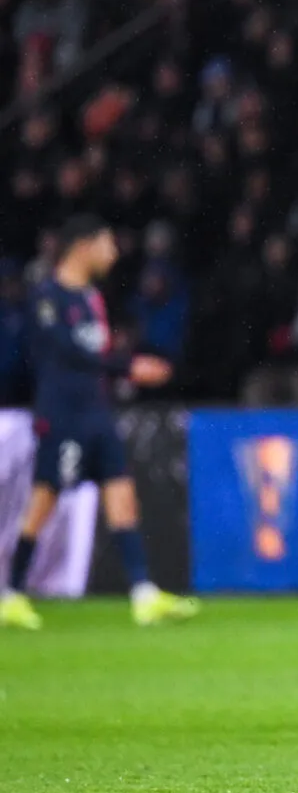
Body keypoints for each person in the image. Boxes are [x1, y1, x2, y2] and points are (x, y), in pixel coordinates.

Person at [1, 216, 201, 630]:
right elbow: (68, 353)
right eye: (106, 244)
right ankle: (11, 594)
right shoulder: (47, 297)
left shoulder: (92, 297)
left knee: (122, 498)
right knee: (44, 502)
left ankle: (144, 595)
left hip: (97, 411)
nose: (112, 253)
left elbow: (93, 353)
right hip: (63, 415)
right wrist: (129, 366)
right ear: (83, 246)